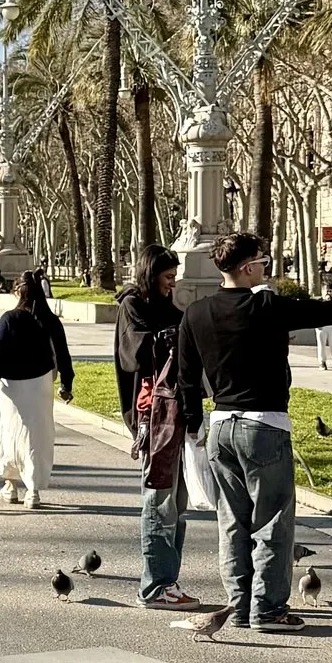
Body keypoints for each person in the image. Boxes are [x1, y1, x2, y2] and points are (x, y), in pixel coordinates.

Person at [176, 232, 332, 637]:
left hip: (221, 425)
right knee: (272, 522)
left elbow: (186, 376)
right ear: (246, 267)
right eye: (263, 261)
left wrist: (193, 423)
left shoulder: (197, 312)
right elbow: (328, 312)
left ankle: (239, 605)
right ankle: (269, 609)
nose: (265, 268)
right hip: (264, 423)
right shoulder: (265, 305)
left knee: (233, 521)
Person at [115, 248, 194, 605]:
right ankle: (155, 584)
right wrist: (167, 337)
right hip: (152, 415)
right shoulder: (132, 305)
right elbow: (133, 351)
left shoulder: (168, 308)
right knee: (160, 498)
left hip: (175, 411)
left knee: (177, 501)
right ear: (152, 275)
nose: (172, 283)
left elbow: (187, 328)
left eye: (174, 277)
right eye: (167, 277)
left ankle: (168, 579)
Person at [0, 271, 72, 510]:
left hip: (11, 386)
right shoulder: (50, 320)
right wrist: (66, 384)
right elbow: (63, 355)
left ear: (17, 292)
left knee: (10, 433)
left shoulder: (9, 319)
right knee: (38, 436)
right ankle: (33, 490)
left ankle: (10, 485)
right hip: (40, 382)